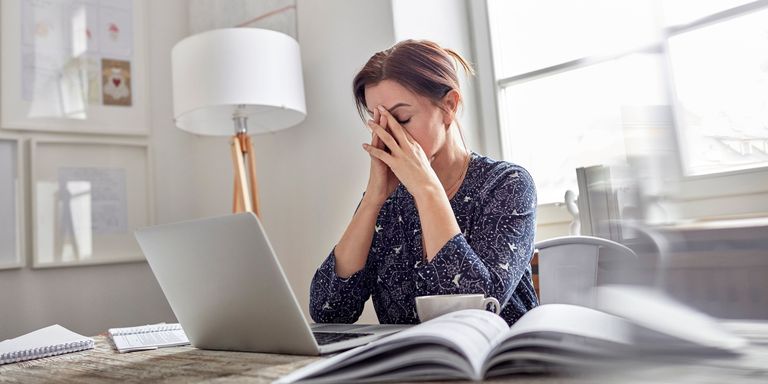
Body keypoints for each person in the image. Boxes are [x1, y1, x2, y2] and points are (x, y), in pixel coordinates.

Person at [309, 39, 538, 326]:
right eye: (378, 122)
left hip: (498, 363)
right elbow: (328, 311)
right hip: (411, 366)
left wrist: (427, 190)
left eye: (401, 119)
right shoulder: (387, 201)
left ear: (449, 106)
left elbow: (473, 309)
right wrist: (372, 201)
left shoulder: (508, 185)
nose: (389, 135)